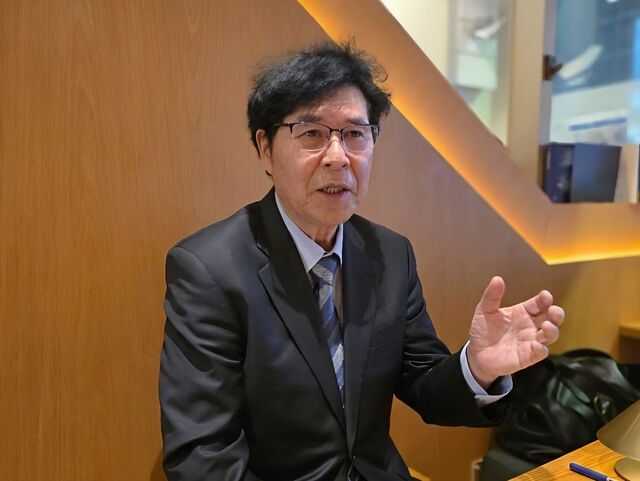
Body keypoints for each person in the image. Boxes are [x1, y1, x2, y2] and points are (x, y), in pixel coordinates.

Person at [159, 42, 565, 481]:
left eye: (355, 134)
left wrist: (479, 367)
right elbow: (204, 455)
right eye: (311, 133)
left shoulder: (390, 254)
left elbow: (424, 383)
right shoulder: (208, 269)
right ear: (265, 149)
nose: (338, 156)